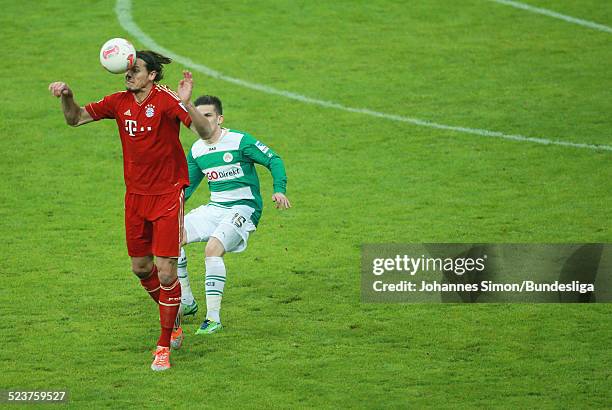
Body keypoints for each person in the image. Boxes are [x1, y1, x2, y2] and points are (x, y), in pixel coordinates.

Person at [48, 51, 214, 371]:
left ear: (152, 75)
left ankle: (163, 344)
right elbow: (75, 118)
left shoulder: (167, 100)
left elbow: (206, 133)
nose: (128, 73)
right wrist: (67, 97)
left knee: (167, 272)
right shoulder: (119, 101)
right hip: (135, 198)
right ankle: (174, 315)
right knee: (141, 268)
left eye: (135, 69)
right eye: (127, 68)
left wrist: (186, 101)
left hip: (167, 195)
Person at [177, 95, 290, 335]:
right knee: (170, 236)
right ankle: (186, 301)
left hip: (244, 208)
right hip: (215, 208)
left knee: (212, 249)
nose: (202, 120)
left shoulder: (239, 141)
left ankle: (213, 318)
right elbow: (185, 187)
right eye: (198, 115)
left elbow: (273, 160)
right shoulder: (197, 150)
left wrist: (279, 190)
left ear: (219, 118)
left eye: (208, 115)